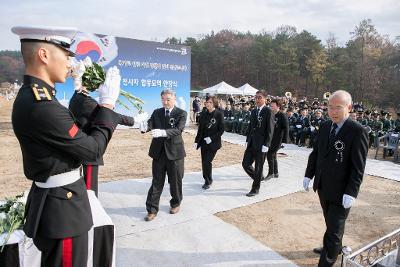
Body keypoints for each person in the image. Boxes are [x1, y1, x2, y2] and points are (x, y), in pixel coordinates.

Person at [11, 26, 121, 266]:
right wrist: (108, 106)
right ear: (44, 55)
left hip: (55, 202)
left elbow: (69, 137)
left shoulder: (35, 97)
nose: (71, 62)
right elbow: (92, 150)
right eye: (66, 55)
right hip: (64, 211)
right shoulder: (43, 106)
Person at [303, 90, 368, 267]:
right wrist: (309, 174)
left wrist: (351, 192)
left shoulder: (357, 131)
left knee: (334, 230)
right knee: (330, 223)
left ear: (349, 107)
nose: (333, 111)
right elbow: (316, 153)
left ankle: (327, 260)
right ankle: (335, 247)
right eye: (330, 107)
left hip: (342, 192)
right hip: (323, 186)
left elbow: (358, 167)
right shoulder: (325, 126)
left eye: (338, 107)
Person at [69, 71, 134, 196]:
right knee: (90, 192)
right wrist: (133, 120)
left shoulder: (77, 97)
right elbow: (108, 114)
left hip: (82, 147)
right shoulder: (85, 101)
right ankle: (92, 214)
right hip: (90, 149)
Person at [141, 89, 187, 221]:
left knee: (175, 182)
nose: (165, 102)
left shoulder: (181, 113)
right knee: (157, 181)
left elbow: (179, 129)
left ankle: (176, 203)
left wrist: (163, 133)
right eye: (163, 99)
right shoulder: (157, 112)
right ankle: (152, 209)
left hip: (175, 154)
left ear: (174, 99)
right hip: (159, 153)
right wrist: (145, 127)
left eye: (168, 99)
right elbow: (151, 123)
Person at [242, 90, 275, 197]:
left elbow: (270, 129)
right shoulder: (253, 111)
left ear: (265, 99)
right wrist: (247, 140)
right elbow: (251, 127)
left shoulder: (268, 111)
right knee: (245, 164)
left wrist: (267, 144)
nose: (257, 99)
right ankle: (259, 178)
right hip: (252, 143)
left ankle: (255, 189)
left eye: (259, 97)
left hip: (262, 145)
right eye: (256, 97)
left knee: (258, 167)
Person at [194, 96, 224, 189]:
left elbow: (221, 130)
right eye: (207, 102)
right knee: (204, 162)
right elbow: (200, 130)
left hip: (213, 143)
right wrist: (196, 141)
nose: (208, 104)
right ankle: (206, 178)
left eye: (210, 102)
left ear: (214, 103)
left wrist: (212, 138)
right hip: (203, 142)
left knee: (207, 161)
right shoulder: (203, 114)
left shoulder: (219, 114)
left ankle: (208, 181)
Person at [266, 98, 289, 179]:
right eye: (270, 105)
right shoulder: (271, 114)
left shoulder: (282, 115)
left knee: (270, 154)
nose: (271, 107)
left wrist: (284, 141)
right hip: (271, 139)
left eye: (273, 105)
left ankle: (271, 173)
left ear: (278, 106)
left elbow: (286, 128)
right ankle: (276, 173)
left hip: (278, 139)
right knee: (273, 155)